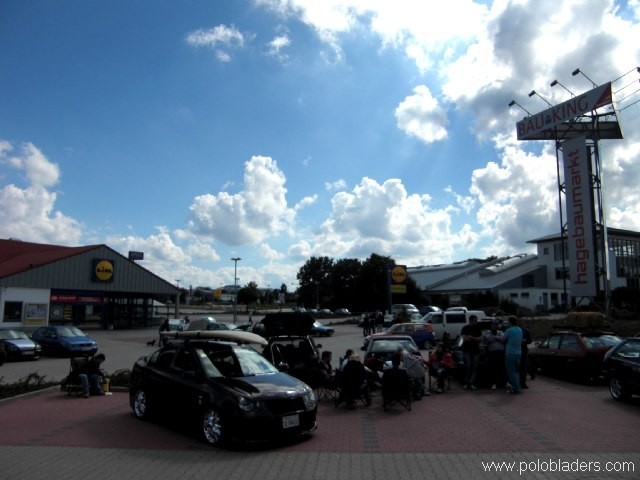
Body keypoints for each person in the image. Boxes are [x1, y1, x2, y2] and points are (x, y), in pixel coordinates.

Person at [460, 315, 483, 390]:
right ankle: (466, 383)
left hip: (476, 350)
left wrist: (472, 337)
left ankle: (471, 382)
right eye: (475, 320)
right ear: (471, 320)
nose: (476, 322)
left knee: (474, 367)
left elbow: (480, 339)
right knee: (468, 366)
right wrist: (473, 338)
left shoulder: (478, 328)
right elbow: (464, 339)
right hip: (467, 350)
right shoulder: (465, 328)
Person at [502, 316, 523, 394]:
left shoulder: (509, 330)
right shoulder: (520, 330)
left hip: (510, 353)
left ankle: (516, 388)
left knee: (511, 371)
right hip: (518, 352)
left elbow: (503, 340)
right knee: (516, 371)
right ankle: (518, 386)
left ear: (510, 322)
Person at [484, 321, 506, 390]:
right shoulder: (487, 332)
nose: (495, 326)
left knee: (501, 368)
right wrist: (497, 338)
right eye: (494, 324)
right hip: (492, 352)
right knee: (493, 368)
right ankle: (493, 383)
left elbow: (503, 339)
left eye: (496, 324)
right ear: (491, 325)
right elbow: (489, 339)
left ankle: (502, 383)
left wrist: (494, 338)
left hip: (501, 352)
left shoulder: (500, 332)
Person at [520, 323, 533, 389]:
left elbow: (530, 340)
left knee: (523, 367)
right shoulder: (511, 330)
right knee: (521, 368)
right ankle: (520, 383)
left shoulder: (525, 331)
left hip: (523, 351)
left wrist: (525, 340)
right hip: (518, 351)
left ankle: (522, 383)